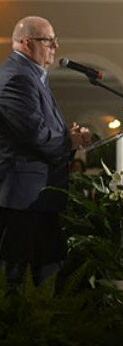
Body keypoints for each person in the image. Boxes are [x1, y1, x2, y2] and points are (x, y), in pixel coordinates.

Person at [0, 16, 92, 284]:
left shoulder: (33, 76)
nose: (56, 45)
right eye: (48, 40)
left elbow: (41, 130)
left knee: (45, 279)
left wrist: (68, 136)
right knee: (18, 283)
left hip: (38, 199)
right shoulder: (17, 77)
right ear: (27, 42)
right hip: (22, 201)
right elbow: (35, 136)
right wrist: (70, 141)